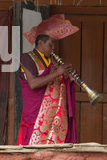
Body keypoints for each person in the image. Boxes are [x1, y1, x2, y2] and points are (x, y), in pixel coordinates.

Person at [17, 14, 78, 145]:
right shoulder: (27, 58)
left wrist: (69, 81)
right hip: (36, 115)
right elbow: (33, 84)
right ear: (41, 43)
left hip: (53, 117)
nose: (53, 48)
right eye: (51, 44)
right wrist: (58, 73)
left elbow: (56, 86)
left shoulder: (52, 62)